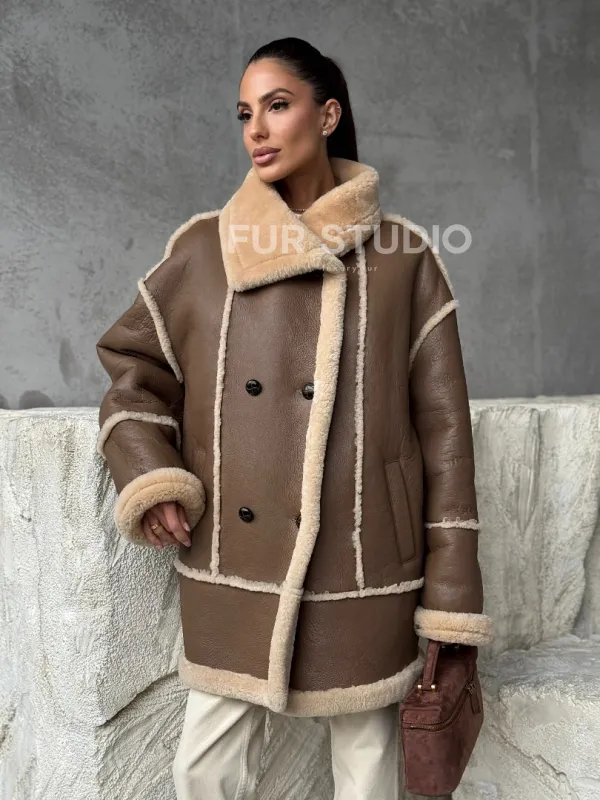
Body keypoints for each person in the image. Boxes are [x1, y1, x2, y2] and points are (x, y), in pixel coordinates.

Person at [95, 36, 492, 800]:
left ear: (328, 114)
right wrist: (152, 477)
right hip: (233, 562)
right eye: (245, 113)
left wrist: (450, 597)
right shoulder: (204, 250)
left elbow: (445, 436)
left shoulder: (405, 257)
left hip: (365, 568)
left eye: (277, 106)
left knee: (368, 773)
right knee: (203, 771)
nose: (258, 129)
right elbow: (132, 371)